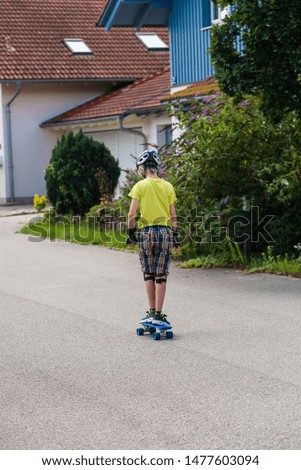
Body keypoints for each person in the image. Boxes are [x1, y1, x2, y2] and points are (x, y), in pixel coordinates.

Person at [126, 149, 180, 327]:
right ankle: (158, 314)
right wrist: (176, 236)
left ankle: (150, 311)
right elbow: (173, 215)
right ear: (157, 167)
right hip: (164, 232)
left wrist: (131, 234)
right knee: (161, 275)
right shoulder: (168, 186)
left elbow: (131, 213)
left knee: (148, 274)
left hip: (146, 233)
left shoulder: (140, 186)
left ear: (142, 168)